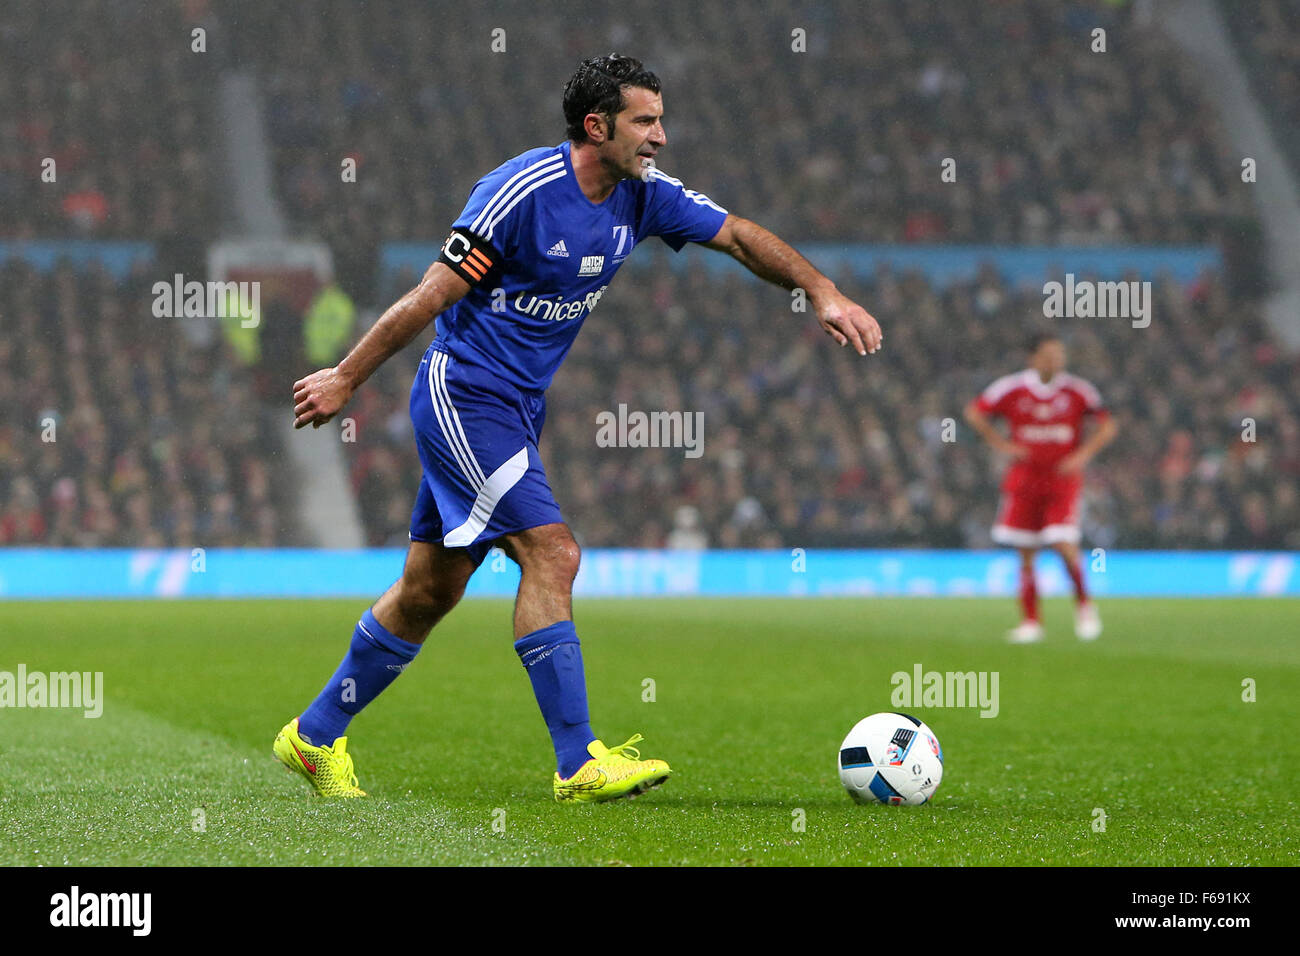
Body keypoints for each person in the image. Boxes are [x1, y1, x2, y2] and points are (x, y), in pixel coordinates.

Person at [277, 53, 882, 801]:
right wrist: (345, 378)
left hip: (517, 408)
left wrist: (821, 291)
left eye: (661, 120)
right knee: (554, 555)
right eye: (645, 121)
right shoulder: (519, 193)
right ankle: (578, 761)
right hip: (466, 395)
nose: (660, 136)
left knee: (429, 591)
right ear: (597, 126)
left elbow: (739, 237)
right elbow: (429, 297)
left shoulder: (644, 196)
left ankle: (312, 736)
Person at [964, 333, 1117, 643]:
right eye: (1049, 355)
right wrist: (1001, 444)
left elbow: (1108, 424)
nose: (1056, 361)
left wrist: (1083, 455)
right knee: (1026, 553)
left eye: (1059, 355)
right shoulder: (1012, 388)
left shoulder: (1077, 391)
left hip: (1062, 481)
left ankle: (1085, 608)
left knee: (1063, 543)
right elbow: (973, 412)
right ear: (1032, 358)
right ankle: (1032, 622)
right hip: (1024, 480)